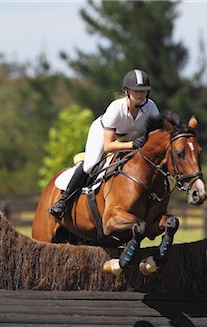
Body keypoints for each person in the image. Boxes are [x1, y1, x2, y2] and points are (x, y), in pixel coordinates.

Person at [49, 69, 160, 220]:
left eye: (144, 91)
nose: (140, 95)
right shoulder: (116, 108)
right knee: (91, 164)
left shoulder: (151, 108)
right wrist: (132, 145)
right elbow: (108, 146)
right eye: (136, 91)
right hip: (104, 134)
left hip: (132, 138)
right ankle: (63, 201)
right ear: (127, 91)